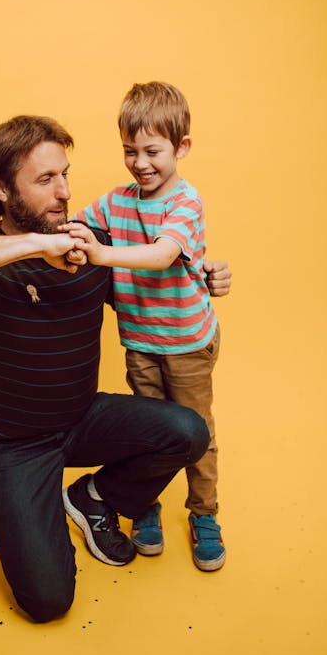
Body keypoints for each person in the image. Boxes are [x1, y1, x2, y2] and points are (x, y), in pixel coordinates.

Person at [0, 114, 230, 623]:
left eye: (66, 175)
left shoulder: (89, 247)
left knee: (186, 430)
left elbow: (149, 290)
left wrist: (204, 275)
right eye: (46, 180)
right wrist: (34, 243)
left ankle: (91, 497)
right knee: (49, 602)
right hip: (12, 442)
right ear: (0, 187)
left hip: (83, 418)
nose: (65, 192)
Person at [62, 82, 226, 571]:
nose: (140, 163)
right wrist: (13, 237)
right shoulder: (115, 202)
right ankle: (141, 506)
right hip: (140, 344)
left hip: (188, 344)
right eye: (129, 151)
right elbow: (72, 225)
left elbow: (162, 254)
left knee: (199, 432)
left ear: (182, 148)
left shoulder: (186, 202)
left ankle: (204, 513)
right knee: (149, 432)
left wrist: (100, 254)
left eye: (152, 151)